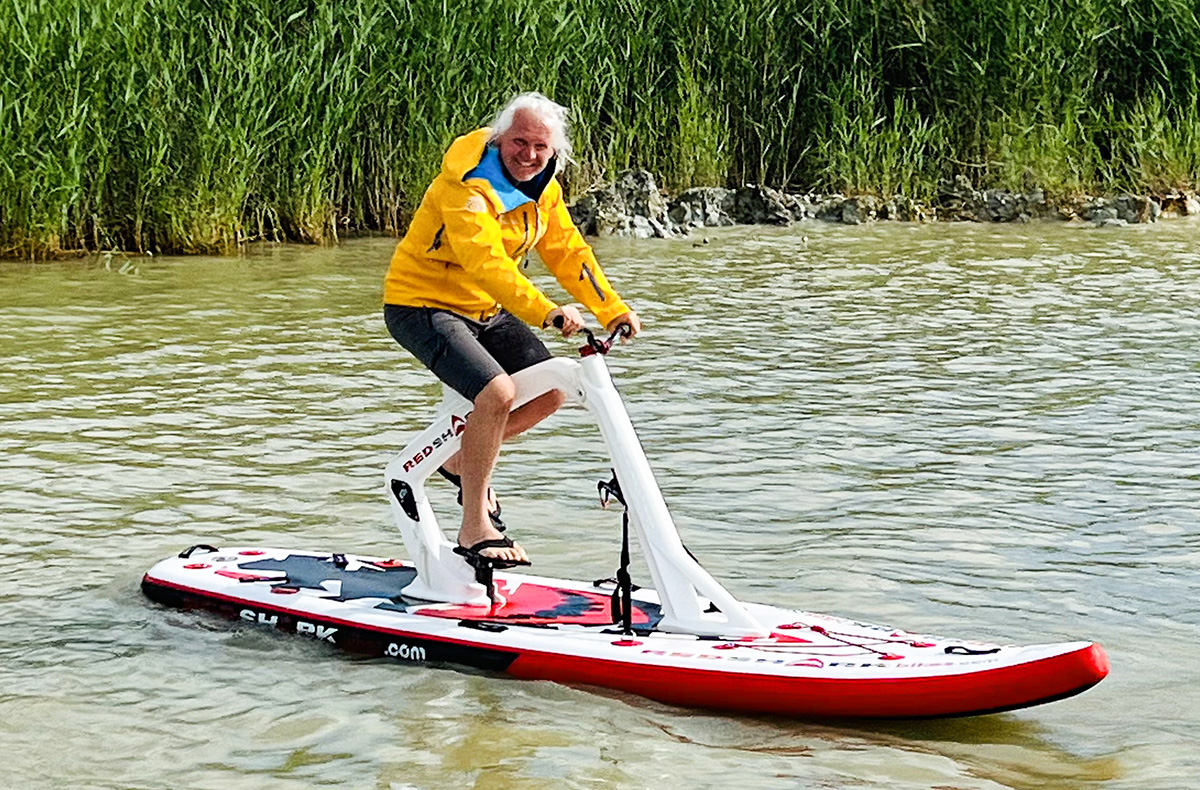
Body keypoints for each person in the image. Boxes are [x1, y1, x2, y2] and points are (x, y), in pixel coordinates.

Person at [383, 92, 640, 571]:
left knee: (552, 389)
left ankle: (458, 462)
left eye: (540, 147)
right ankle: (474, 524)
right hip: (421, 305)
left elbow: (568, 252)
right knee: (497, 394)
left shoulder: (544, 187)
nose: (529, 155)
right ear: (501, 139)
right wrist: (547, 312)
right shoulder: (464, 187)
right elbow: (487, 264)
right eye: (519, 142)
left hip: (484, 310)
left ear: (554, 151)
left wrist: (611, 309)